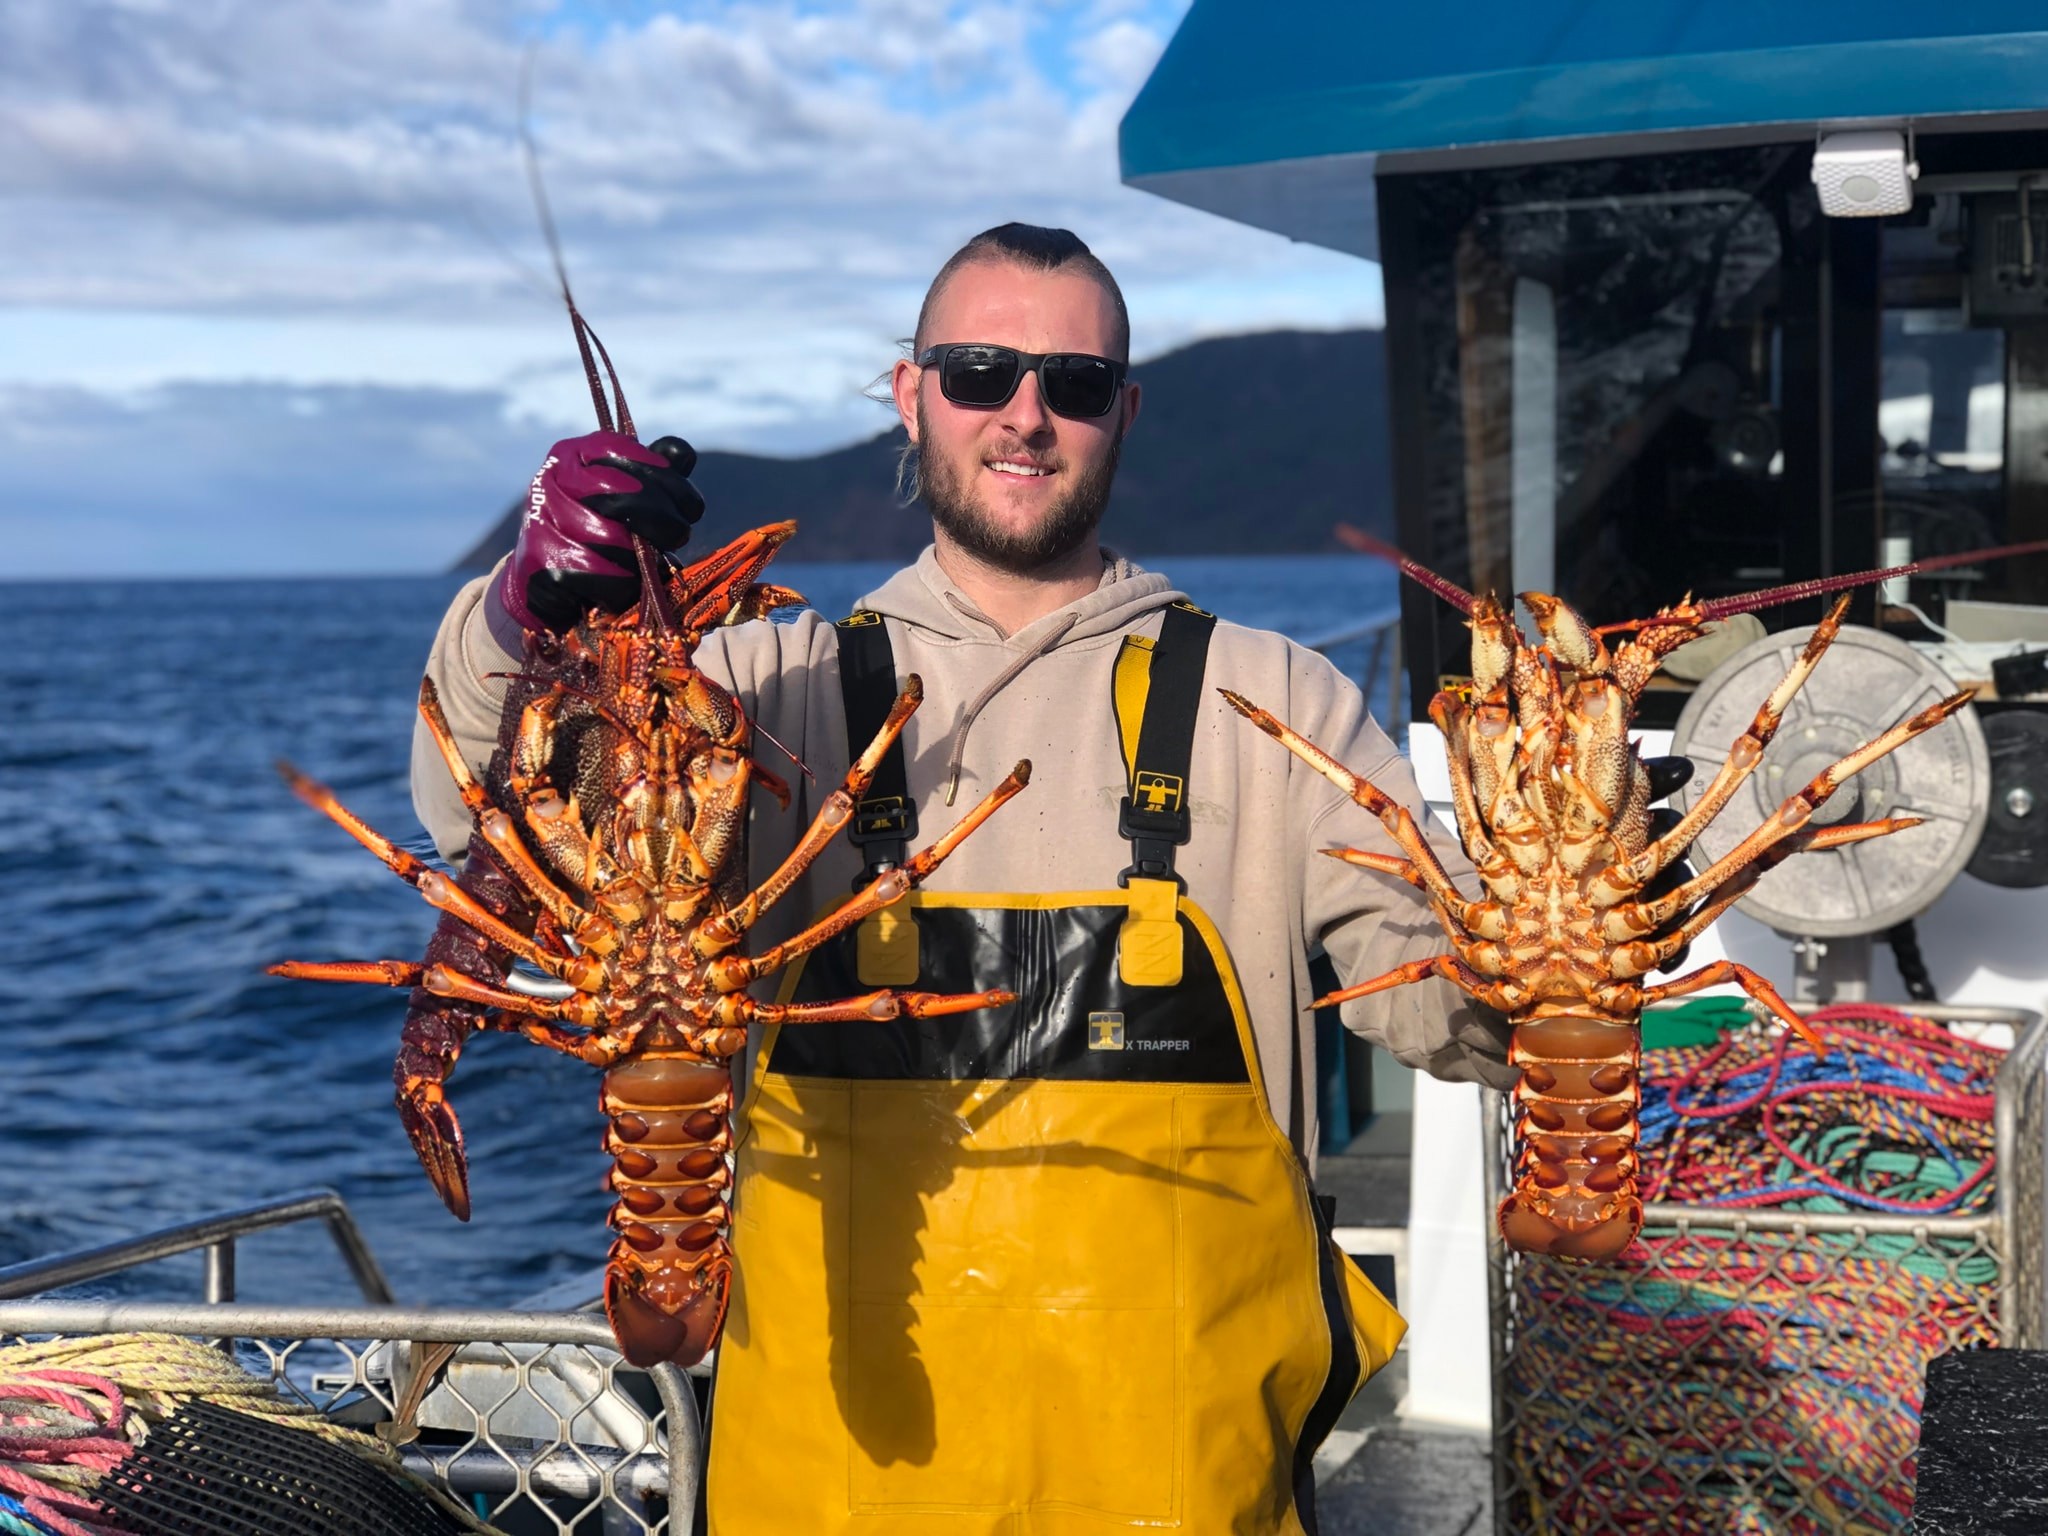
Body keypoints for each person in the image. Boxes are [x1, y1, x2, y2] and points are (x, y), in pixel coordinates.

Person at [414, 223, 1515, 1535]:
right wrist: (521, 618)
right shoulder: (766, 691)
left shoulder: (1272, 700)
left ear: (1125, 412)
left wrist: (1542, 973)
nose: (1027, 416)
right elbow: (482, 815)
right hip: (829, 1488)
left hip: (1179, 1484)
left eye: (1077, 384)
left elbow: (1442, 1005)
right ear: (910, 390)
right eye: (980, 372)